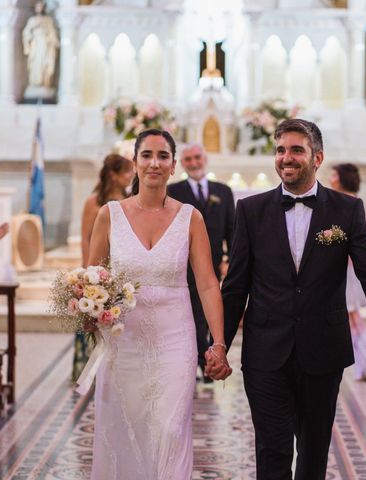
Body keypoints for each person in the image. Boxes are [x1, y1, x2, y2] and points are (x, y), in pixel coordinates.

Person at [221, 118, 366, 478]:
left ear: (317, 158)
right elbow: (236, 285)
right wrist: (217, 343)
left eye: (296, 150)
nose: (287, 157)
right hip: (266, 351)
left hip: (323, 349)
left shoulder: (346, 210)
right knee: (272, 449)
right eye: (281, 150)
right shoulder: (251, 212)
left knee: (314, 452)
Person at [87, 129, 231, 479]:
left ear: (173, 166)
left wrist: (219, 343)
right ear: (134, 164)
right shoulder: (109, 215)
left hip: (175, 341)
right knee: (126, 430)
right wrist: (90, 313)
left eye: (163, 156)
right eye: (147, 155)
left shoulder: (190, 217)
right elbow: (90, 278)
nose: (154, 163)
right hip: (124, 343)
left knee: (170, 429)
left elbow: (208, 284)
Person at [168, 143, 235, 382]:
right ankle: (200, 360)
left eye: (197, 157)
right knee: (193, 313)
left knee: (211, 314)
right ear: (181, 164)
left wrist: (229, 261)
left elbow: (232, 231)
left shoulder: (223, 191)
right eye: (188, 159)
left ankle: (208, 357)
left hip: (215, 264)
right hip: (184, 265)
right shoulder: (173, 191)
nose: (194, 163)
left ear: (204, 159)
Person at [73, 153, 133, 381]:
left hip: (121, 268)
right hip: (98, 267)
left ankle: (116, 367)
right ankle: (90, 371)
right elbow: (86, 238)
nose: (131, 176)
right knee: (95, 320)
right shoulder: (95, 201)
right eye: (126, 171)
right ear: (113, 174)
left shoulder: (130, 199)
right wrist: (90, 273)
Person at [329, 163, 366, 380]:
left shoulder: (352, 202)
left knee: (351, 316)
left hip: (347, 268)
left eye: (333, 174)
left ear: (341, 178)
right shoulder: (339, 200)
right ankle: (365, 363)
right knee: (351, 316)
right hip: (339, 266)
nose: (330, 178)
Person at [22, 1, 59, 90]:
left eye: (41, 6)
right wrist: (30, 40)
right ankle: (35, 82)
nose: (39, 8)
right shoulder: (32, 20)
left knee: (45, 62)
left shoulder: (48, 20)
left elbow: (52, 32)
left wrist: (54, 41)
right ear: (35, 8)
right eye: (37, 7)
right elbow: (26, 32)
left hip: (46, 44)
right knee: (36, 63)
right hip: (36, 44)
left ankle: (45, 82)